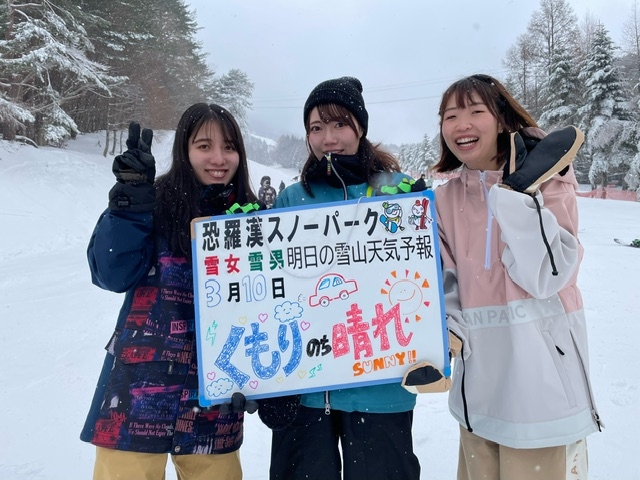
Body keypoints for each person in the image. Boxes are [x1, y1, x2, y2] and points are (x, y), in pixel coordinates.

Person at [432, 74, 602, 480]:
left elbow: (549, 276)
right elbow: (446, 281)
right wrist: (447, 329)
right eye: (451, 115)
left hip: (542, 389)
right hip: (479, 391)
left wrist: (515, 194)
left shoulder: (549, 181)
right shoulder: (444, 199)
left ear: (502, 118)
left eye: (476, 111)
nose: (462, 124)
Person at [80, 104, 261, 480]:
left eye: (228, 147)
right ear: (184, 150)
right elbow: (112, 273)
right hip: (134, 393)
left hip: (215, 399)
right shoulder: (150, 202)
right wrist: (129, 205)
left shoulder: (254, 220)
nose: (218, 158)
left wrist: (269, 380)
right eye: (204, 146)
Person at [269, 76, 421, 480]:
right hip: (306, 390)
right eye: (316, 128)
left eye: (339, 125)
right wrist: (267, 383)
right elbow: (270, 291)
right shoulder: (293, 198)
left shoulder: (395, 191)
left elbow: (424, 275)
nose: (328, 138)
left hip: (380, 385)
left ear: (360, 128)